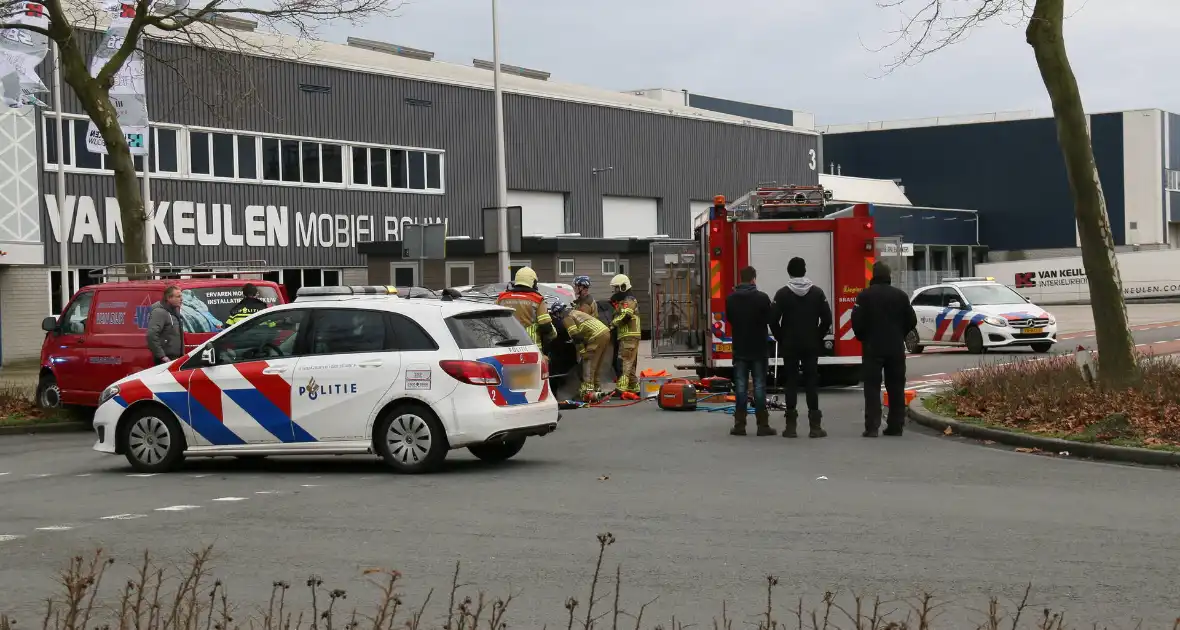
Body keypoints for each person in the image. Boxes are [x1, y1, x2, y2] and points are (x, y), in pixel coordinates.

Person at [851, 261, 918, 437]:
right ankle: (896, 425)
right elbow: (912, 320)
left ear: (873, 275)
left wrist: (863, 336)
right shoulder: (901, 296)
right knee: (896, 386)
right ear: (889, 276)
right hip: (895, 347)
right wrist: (900, 333)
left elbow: (856, 321)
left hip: (872, 347)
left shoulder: (864, 296)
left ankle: (872, 426)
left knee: (872, 387)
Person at [769, 257, 833, 438]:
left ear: (789, 272)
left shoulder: (782, 294)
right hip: (811, 344)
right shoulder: (817, 293)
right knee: (811, 382)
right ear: (804, 271)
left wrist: (781, 337)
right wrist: (817, 335)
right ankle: (815, 427)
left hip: (790, 344)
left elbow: (772, 320)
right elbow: (827, 319)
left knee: (791, 382)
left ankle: (791, 427)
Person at [724, 266, 774, 436]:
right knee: (759, 386)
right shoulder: (762, 298)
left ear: (741, 278)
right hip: (759, 349)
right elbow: (770, 318)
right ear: (754, 279)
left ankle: (739, 425)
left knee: (740, 387)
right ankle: (762, 425)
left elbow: (730, 319)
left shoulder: (731, 299)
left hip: (740, 349)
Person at [550, 302, 611, 401]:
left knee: (589, 364)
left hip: (595, 336)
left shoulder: (567, 318)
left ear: (557, 313)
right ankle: (597, 390)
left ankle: (588, 393)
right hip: (605, 332)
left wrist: (582, 352)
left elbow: (575, 336)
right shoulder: (575, 312)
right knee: (597, 364)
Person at [496, 267, 556, 347]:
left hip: (505, 345)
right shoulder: (537, 299)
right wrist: (552, 336)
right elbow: (545, 326)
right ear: (533, 282)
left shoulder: (502, 297)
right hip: (530, 347)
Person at [608, 273, 642, 400]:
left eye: (617, 288)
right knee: (631, 364)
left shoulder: (629, 300)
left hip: (629, 336)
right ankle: (635, 388)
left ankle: (620, 388)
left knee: (624, 362)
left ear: (623, 286)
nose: (615, 291)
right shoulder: (624, 301)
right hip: (627, 336)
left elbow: (626, 316)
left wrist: (612, 324)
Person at [146, 285, 184, 365]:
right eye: (178, 296)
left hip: (175, 358)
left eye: (181, 296)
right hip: (166, 360)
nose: (181, 299)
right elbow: (151, 335)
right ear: (169, 298)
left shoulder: (174, 311)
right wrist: (162, 356)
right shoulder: (159, 312)